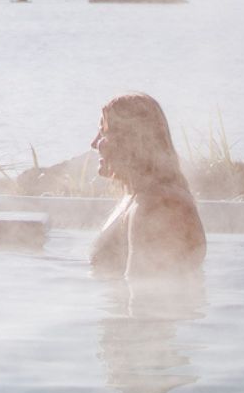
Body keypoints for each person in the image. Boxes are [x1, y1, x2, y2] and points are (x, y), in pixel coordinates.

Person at [88, 93, 206, 279]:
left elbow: (145, 289)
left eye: (103, 134)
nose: (94, 144)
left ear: (130, 141)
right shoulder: (137, 197)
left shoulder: (158, 205)